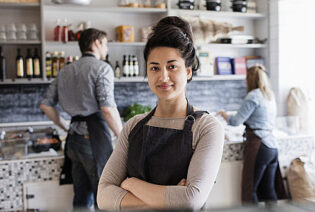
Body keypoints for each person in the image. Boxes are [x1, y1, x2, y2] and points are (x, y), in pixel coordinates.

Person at [97, 16, 224, 210]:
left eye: (172, 66)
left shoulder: (206, 127)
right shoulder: (133, 126)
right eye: (154, 68)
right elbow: (103, 196)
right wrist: (169, 196)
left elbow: (190, 200)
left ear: (188, 71)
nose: (163, 76)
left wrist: (131, 184)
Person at [40, 28, 122, 209]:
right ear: (96, 43)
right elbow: (107, 109)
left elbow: (46, 105)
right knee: (105, 199)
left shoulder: (64, 71)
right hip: (93, 142)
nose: (107, 49)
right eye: (105, 44)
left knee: (81, 197)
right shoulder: (102, 68)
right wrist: (124, 137)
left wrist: (65, 125)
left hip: (73, 142)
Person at [218, 65, 286, 204]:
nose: (245, 82)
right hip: (272, 147)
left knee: (251, 190)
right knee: (268, 190)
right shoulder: (269, 95)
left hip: (259, 146)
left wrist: (225, 116)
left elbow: (236, 121)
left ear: (250, 80)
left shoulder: (253, 96)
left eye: (246, 79)